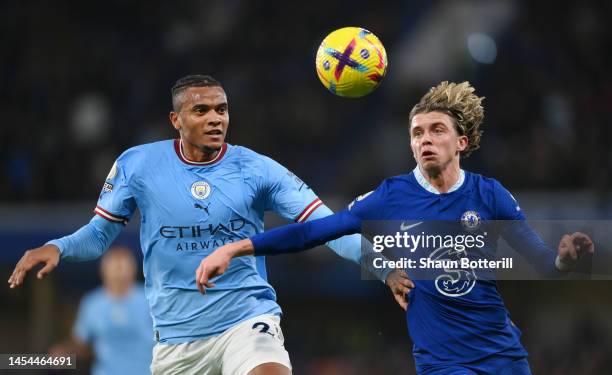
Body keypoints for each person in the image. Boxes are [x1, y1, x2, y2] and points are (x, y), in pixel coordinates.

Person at [8, 74, 407, 375]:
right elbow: (98, 235)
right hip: (176, 341)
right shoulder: (138, 165)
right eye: (202, 111)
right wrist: (58, 246)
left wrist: (384, 265)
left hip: (246, 321)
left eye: (222, 109)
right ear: (175, 119)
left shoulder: (256, 169)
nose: (215, 119)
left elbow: (328, 226)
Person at [196, 81, 595, 375]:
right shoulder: (390, 197)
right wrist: (236, 248)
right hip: (443, 362)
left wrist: (565, 259)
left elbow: (544, 265)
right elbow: (313, 231)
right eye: (417, 133)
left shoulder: (490, 195)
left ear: (462, 141)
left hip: (504, 355)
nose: (425, 140)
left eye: (437, 130)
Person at [50, 246, 154, 375]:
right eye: (114, 268)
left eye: (123, 267)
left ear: (133, 270)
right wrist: (66, 351)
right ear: (103, 271)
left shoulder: (151, 299)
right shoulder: (92, 303)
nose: (119, 273)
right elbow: (81, 343)